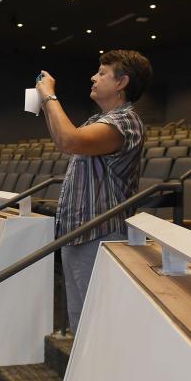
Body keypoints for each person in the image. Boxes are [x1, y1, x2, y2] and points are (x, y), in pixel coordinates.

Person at [36, 49, 152, 333]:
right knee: (81, 323)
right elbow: (62, 138)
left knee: (97, 325)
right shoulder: (99, 120)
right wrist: (42, 99)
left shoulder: (125, 121)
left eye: (102, 73)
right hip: (79, 231)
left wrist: (50, 95)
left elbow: (69, 141)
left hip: (101, 234)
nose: (93, 77)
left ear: (122, 82)